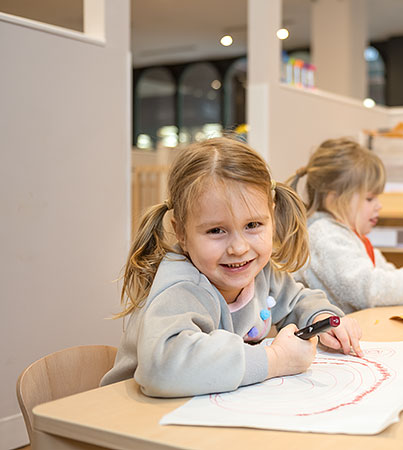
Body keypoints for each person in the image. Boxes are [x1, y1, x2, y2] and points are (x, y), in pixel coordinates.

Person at [101, 137, 362, 397]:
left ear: (271, 215)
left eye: (253, 225)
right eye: (216, 230)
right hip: (131, 424)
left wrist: (321, 318)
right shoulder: (181, 287)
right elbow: (163, 369)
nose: (238, 248)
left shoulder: (260, 272)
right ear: (181, 232)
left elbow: (296, 301)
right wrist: (275, 358)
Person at [288, 138, 403, 314]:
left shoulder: (349, 236)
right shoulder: (325, 236)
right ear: (334, 199)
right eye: (370, 199)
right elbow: (372, 290)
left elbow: (390, 277)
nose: (379, 205)